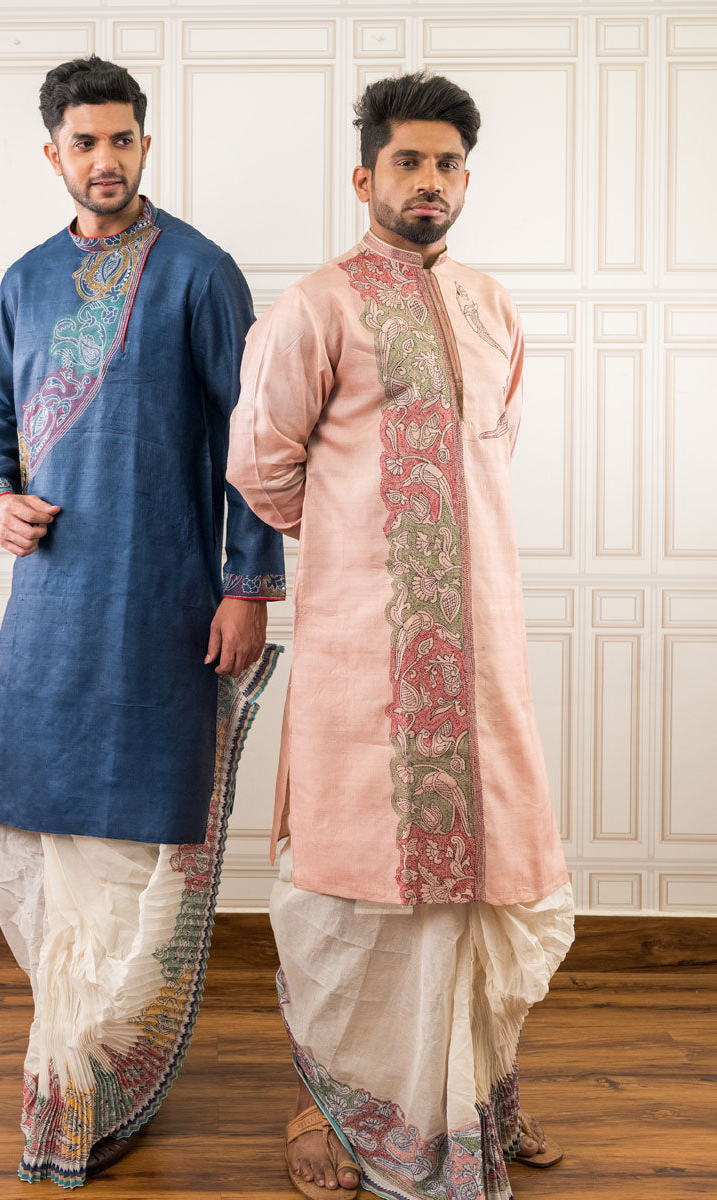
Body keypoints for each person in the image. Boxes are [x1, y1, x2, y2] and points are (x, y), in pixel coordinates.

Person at [227, 71, 574, 1200]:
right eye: (409, 162)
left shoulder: (491, 305)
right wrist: (364, 547)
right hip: (359, 655)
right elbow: (261, 466)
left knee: (490, 874)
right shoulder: (315, 307)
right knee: (350, 886)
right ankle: (331, 1106)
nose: (431, 181)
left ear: (467, 179)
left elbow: (492, 448)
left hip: (484, 647)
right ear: (364, 175)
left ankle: (473, 1092)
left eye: (449, 164)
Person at [0, 55, 284, 1187]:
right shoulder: (26, 280)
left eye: (122, 140)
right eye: (84, 142)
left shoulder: (199, 272)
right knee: (17, 833)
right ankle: (71, 1067)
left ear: (146, 144)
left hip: (162, 607)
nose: (105, 160)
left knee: (132, 852)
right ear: (53, 153)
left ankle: (90, 1087)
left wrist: (247, 585)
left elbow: (254, 439)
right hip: (49, 610)